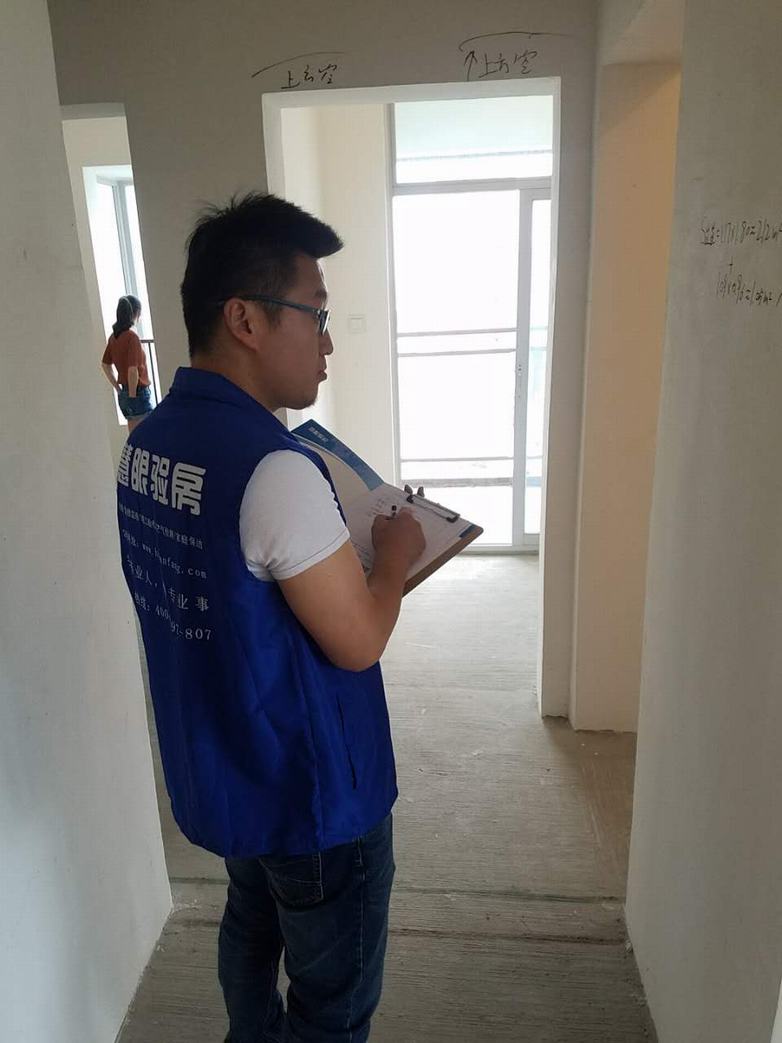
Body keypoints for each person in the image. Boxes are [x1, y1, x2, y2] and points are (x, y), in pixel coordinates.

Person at [115, 193, 425, 1043]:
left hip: (228, 764)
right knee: (333, 1002)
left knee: (252, 919)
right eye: (315, 314)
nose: (327, 341)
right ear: (246, 319)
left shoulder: (148, 444)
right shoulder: (275, 468)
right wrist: (396, 556)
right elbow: (358, 640)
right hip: (310, 791)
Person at [101, 294, 154, 433]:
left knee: (133, 434)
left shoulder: (113, 338)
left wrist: (118, 389)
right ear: (136, 313)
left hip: (124, 393)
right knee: (149, 432)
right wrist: (132, 395)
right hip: (137, 393)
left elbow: (105, 365)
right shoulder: (132, 337)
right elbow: (132, 370)